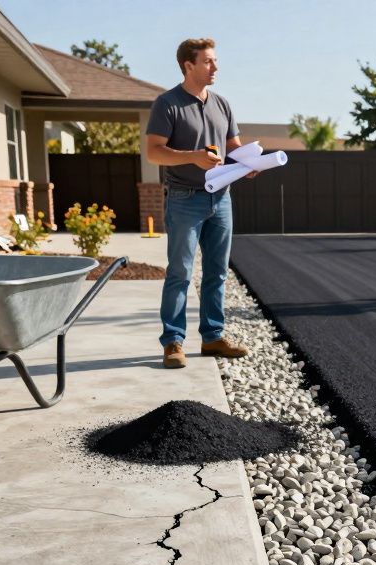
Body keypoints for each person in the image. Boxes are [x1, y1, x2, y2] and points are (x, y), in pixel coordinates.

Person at [144, 37, 254, 368]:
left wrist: (249, 163)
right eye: (208, 61)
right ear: (188, 65)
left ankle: (213, 338)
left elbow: (233, 146)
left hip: (221, 199)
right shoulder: (167, 104)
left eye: (215, 60)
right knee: (180, 271)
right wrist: (193, 157)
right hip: (184, 200)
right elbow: (153, 151)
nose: (215, 66)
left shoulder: (222, 104)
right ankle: (173, 342)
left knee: (218, 272)